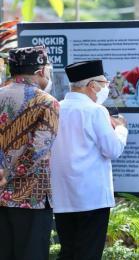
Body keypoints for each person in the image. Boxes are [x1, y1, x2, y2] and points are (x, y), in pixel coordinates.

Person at [50, 60, 128, 259]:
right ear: (92, 85)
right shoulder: (96, 111)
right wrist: (120, 129)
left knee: (68, 251)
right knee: (88, 253)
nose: (105, 87)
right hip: (92, 199)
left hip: (63, 197)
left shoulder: (56, 108)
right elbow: (113, 149)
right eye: (104, 83)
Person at [0, 45, 59, 260]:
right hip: (32, 198)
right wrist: (8, 174)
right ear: (40, 71)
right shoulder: (46, 102)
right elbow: (38, 149)